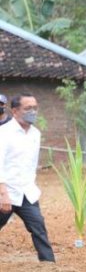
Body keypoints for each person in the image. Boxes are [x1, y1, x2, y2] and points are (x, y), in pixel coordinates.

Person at [0, 93, 55, 262]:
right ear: (15, 111)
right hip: (5, 192)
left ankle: (50, 268)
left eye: (35, 108)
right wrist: (3, 194)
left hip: (26, 193)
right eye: (28, 108)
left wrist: (32, 186)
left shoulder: (35, 134)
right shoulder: (4, 133)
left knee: (38, 228)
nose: (33, 112)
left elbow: (31, 164)